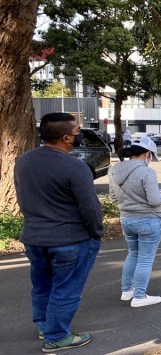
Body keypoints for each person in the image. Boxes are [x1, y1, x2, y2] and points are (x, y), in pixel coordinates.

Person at [14, 112, 103, 352]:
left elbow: (22, 198)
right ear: (66, 137)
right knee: (66, 289)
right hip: (70, 240)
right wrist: (97, 232)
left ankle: (45, 325)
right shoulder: (76, 168)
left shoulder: (23, 161)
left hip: (34, 237)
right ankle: (56, 337)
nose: (80, 135)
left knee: (42, 285)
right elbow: (90, 208)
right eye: (77, 131)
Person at [109, 136, 161, 308]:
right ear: (148, 154)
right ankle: (140, 296)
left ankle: (127, 291)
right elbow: (155, 200)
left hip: (126, 218)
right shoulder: (147, 172)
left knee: (132, 254)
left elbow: (113, 197)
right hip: (148, 220)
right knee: (145, 259)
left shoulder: (114, 170)